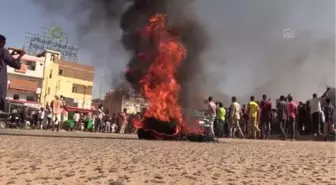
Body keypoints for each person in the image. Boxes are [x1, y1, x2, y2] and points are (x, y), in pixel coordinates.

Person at [0, 35, 24, 111]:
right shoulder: (3, 51)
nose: (4, 45)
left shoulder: (4, 53)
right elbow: (17, 65)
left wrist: (10, 55)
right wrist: (21, 55)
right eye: (4, 43)